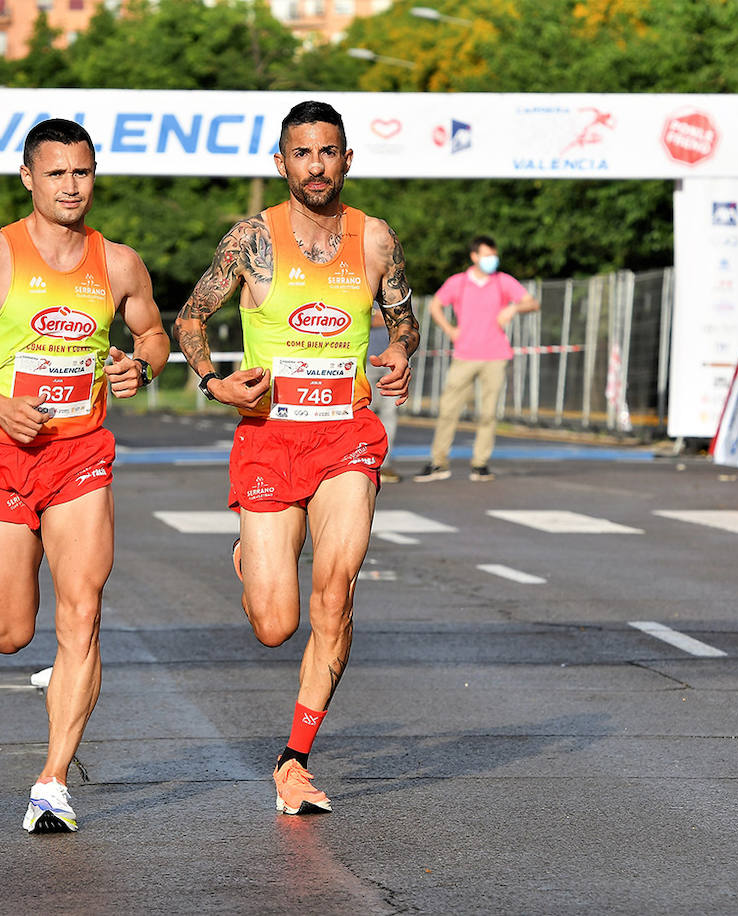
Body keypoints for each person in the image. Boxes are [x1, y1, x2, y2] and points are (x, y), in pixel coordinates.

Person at [0, 118, 169, 834]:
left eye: (82, 172)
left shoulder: (117, 263)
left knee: (82, 613)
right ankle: (53, 682)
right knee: (8, 631)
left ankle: (53, 780)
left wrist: (139, 365)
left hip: (80, 453)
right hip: (1, 451)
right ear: (28, 177)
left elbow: (150, 333)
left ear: (95, 176)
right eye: (55, 172)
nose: (71, 185)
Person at [174, 100, 419, 815]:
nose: (317, 166)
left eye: (329, 152)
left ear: (347, 159)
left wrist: (400, 347)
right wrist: (214, 379)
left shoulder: (374, 239)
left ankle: (294, 760)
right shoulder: (252, 239)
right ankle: (251, 557)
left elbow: (403, 315)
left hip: (347, 433)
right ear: (281, 164)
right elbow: (191, 316)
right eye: (303, 154)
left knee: (334, 596)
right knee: (275, 624)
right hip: (270, 435)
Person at [414, 235, 539, 483]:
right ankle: (439, 463)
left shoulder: (502, 281)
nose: (492, 260)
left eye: (494, 255)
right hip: (464, 355)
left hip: (495, 356)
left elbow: (532, 303)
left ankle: (480, 464)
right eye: (486, 255)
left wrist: (513, 307)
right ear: (474, 256)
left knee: (488, 413)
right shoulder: (458, 282)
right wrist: (449, 330)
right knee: (449, 409)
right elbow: (435, 305)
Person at [369, 307, 402, 482]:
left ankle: (384, 464)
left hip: (393, 362)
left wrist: (379, 317)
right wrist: (391, 319)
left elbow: (407, 320)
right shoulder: (360, 284)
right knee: (364, 412)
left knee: (390, 413)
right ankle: (363, 461)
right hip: (367, 359)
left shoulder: (396, 288)